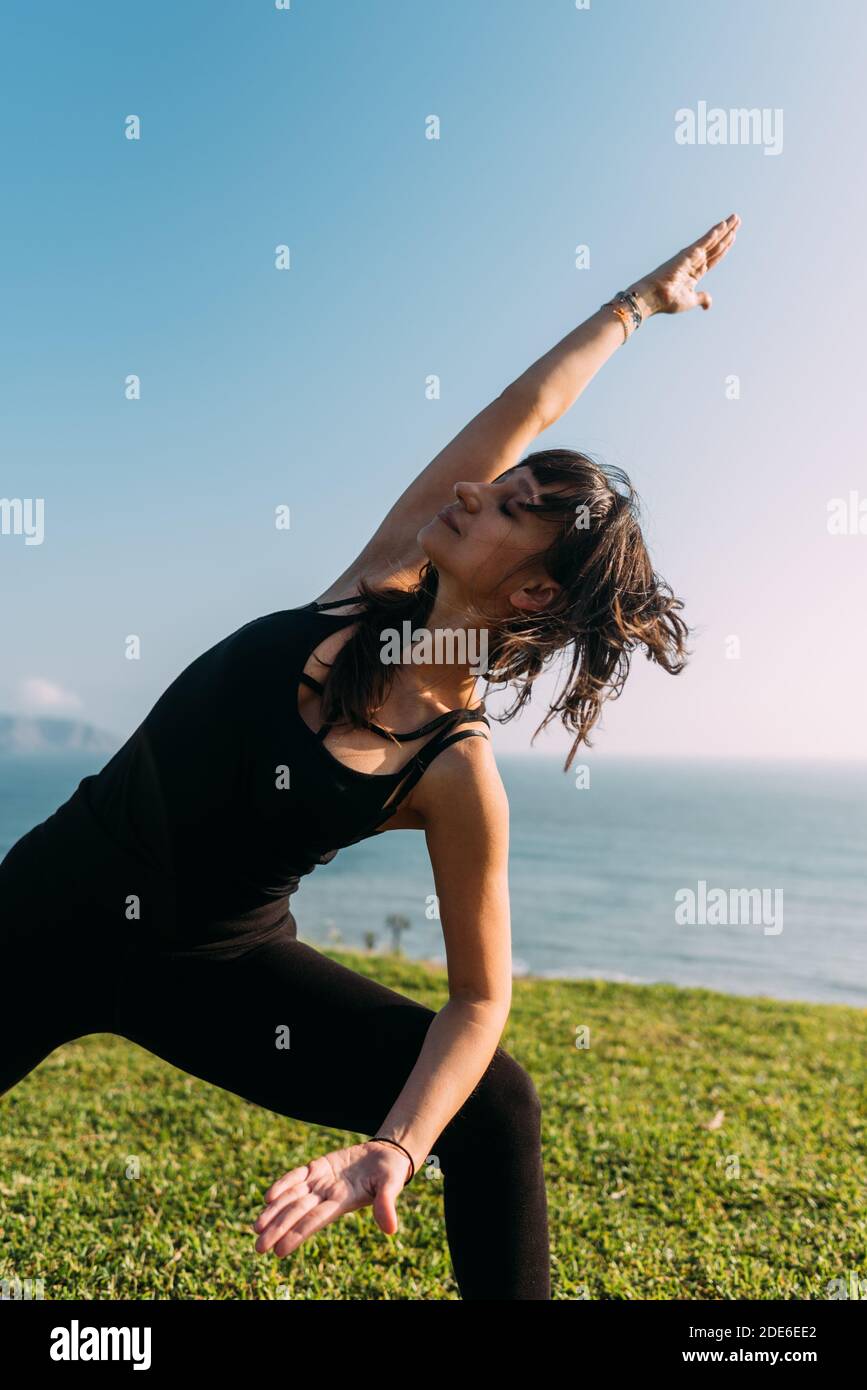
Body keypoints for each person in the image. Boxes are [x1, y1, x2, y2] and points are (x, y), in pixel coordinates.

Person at [0, 213, 741, 1300]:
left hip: (215, 973)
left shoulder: (454, 767)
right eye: (499, 483)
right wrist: (636, 305)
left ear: (533, 593)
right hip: (48, 908)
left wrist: (394, 1145)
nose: (474, 491)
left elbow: (480, 1001)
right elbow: (525, 406)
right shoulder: (376, 583)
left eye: (512, 509)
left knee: (497, 1105)